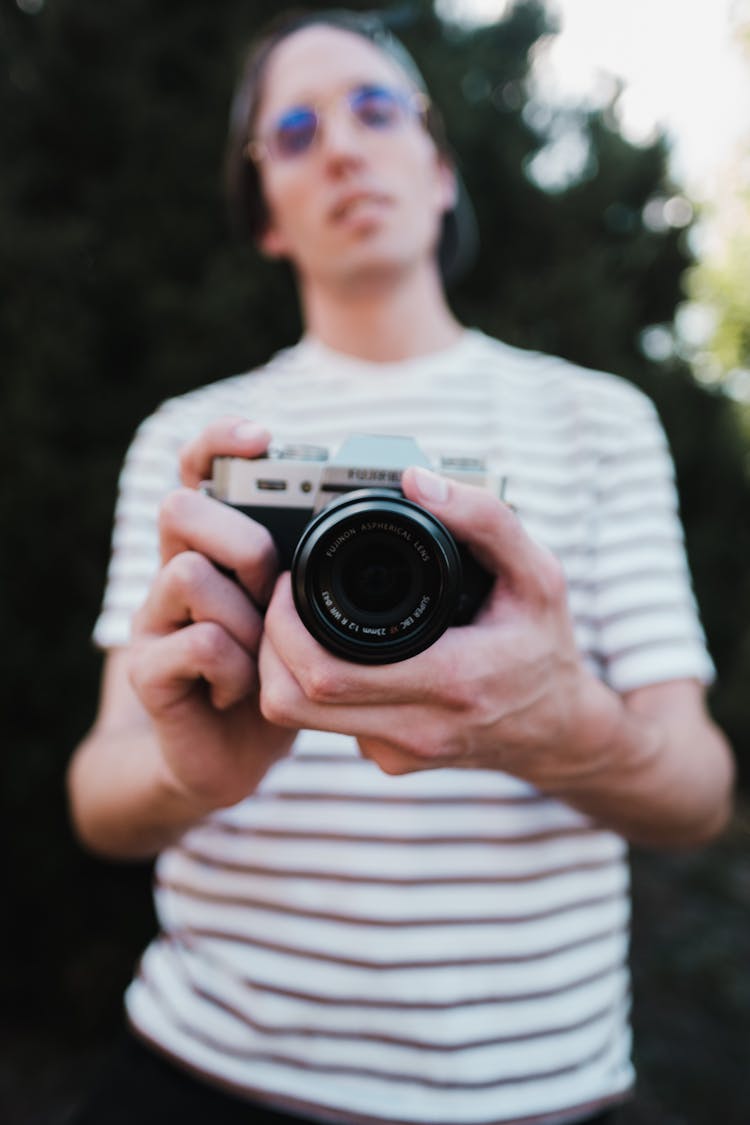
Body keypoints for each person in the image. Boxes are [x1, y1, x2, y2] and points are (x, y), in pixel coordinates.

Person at [66, 9, 735, 1125]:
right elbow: (100, 796)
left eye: (377, 109)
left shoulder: (597, 420)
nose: (340, 146)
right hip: (205, 1061)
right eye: (291, 129)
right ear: (265, 216)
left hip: (532, 1084)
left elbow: (699, 791)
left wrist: (567, 726)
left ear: (437, 169)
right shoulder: (196, 443)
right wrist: (198, 774)